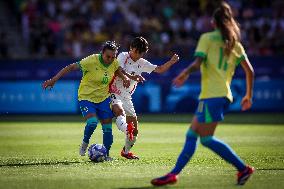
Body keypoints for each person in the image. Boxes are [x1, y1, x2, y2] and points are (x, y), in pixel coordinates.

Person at [151, 1, 255, 186]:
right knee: (192, 134)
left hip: (212, 96)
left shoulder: (207, 38)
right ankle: (173, 174)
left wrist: (183, 74)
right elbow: (250, 71)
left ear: (213, 23)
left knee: (206, 139)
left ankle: (243, 168)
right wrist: (248, 95)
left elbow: (197, 64)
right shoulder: (235, 44)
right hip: (221, 95)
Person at [42, 41, 131, 159]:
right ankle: (84, 143)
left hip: (103, 99)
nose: (110, 59)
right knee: (92, 122)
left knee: (108, 129)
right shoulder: (91, 60)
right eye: (107, 56)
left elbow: (117, 70)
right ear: (102, 53)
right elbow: (71, 67)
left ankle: (106, 155)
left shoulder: (113, 62)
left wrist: (124, 77)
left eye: (112, 57)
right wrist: (54, 79)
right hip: (86, 97)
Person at [110, 36, 179, 159]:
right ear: (131, 48)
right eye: (136, 52)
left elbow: (159, 69)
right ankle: (126, 129)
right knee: (119, 112)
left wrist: (171, 62)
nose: (137, 55)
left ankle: (126, 151)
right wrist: (131, 77)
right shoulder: (123, 56)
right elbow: (117, 70)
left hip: (126, 96)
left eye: (140, 53)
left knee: (135, 131)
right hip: (113, 90)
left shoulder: (142, 63)